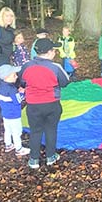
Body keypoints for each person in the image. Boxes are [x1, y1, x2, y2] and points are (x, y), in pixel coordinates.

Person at [20, 38, 69, 169]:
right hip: (51, 104)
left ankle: (34, 159)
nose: (55, 53)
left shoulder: (27, 66)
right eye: (54, 50)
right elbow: (65, 82)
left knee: (35, 131)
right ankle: (50, 156)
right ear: (49, 52)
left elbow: (22, 82)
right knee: (51, 130)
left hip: (33, 105)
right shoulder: (55, 67)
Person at [0, 64, 30, 156]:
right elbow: (17, 101)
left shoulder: (1, 86)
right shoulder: (12, 89)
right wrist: (22, 93)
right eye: (14, 75)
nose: (16, 76)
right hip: (14, 114)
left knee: (8, 130)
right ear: (7, 77)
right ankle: (19, 149)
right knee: (17, 132)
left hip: (6, 113)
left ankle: (8, 145)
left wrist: (17, 93)